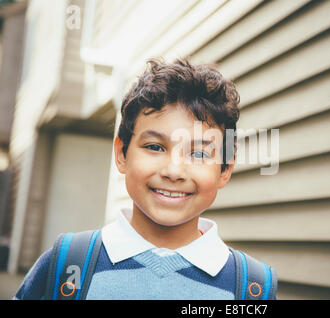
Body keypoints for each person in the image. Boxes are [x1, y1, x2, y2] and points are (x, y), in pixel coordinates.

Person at [14, 58, 277, 300]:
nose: (173, 171)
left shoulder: (251, 288)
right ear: (122, 154)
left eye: (198, 153)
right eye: (154, 147)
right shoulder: (67, 264)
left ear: (224, 170)